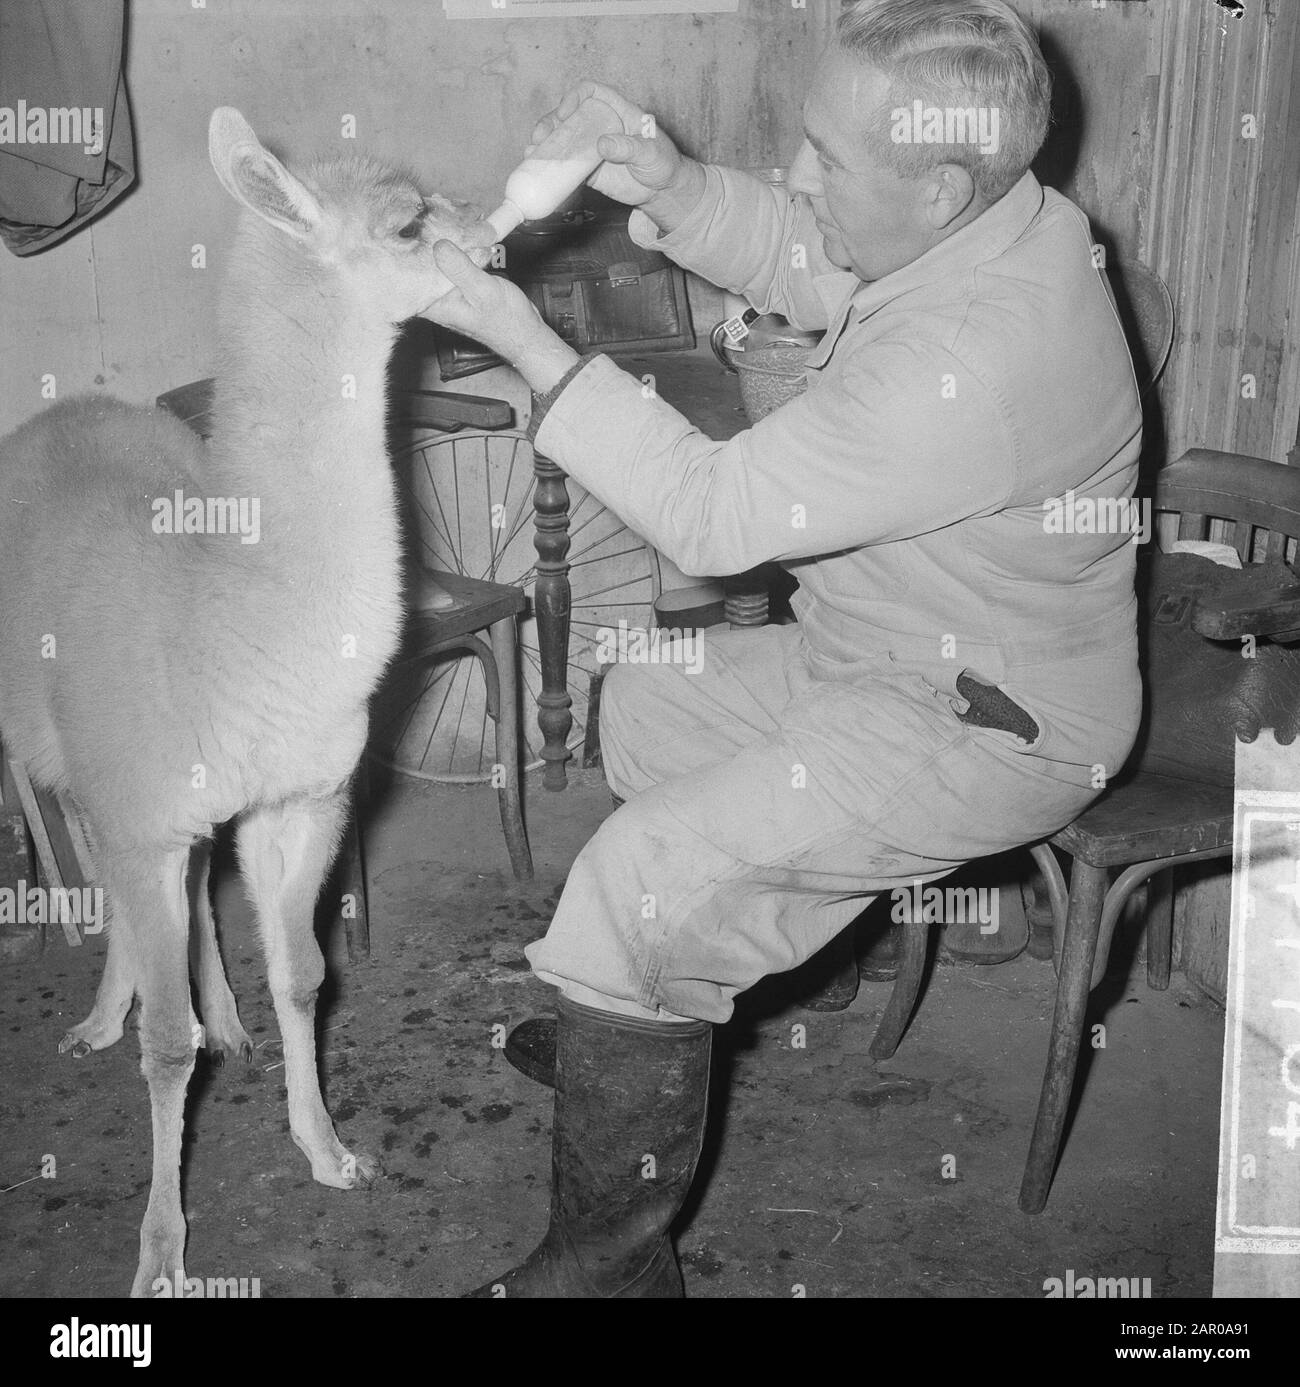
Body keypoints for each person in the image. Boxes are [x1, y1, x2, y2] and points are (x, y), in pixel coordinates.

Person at [423, 0, 1143, 1298]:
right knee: (646, 705)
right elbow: (811, 253)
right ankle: (680, 1001)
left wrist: (523, 339)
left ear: (937, 187)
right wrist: (669, 180)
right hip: (875, 652)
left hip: (984, 718)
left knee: (639, 884)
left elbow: (714, 517)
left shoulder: (977, 359)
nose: (800, 174)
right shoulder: (992, 218)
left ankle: (611, 1273)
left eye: (829, 156)